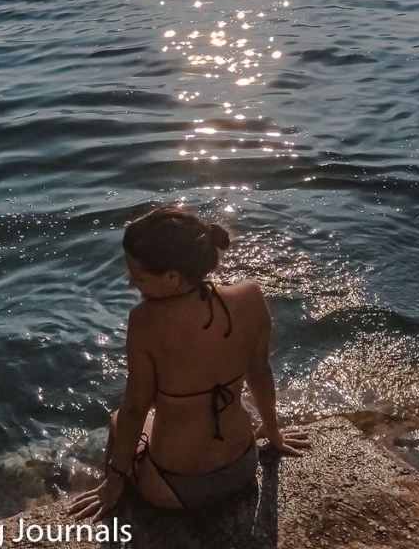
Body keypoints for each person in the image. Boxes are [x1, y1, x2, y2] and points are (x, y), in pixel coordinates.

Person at [70, 203, 310, 518]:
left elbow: (134, 409)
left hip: (174, 487)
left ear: (172, 277)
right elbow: (261, 373)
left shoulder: (144, 321)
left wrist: (116, 476)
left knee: (117, 420)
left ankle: (111, 495)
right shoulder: (251, 295)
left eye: (138, 276)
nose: (131, 284)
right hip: (242, 464)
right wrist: (273, 432)